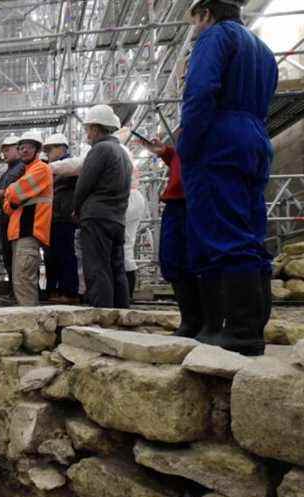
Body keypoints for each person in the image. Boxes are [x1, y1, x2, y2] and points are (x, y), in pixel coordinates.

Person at [179, 0, 277, 355]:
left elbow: (201, 92)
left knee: (222, 232)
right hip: (254, 136)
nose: (193, 28)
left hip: (219, 139)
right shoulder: (262, 50)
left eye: (194, 21)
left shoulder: (215, 37)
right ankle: (252, 325)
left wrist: (187, 145)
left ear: (205, 13)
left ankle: (239, 331)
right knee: (250, 232)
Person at [73, 104, 132, 309]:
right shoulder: (123, 153)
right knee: (117, 269)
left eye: (88, 128)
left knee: (97, 267)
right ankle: (121, 314)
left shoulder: (100, 149)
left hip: (97, 217)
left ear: (97, 129)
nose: (87, 133)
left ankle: (103, 317)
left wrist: (76, 208)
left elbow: (83, 184)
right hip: (117, 219)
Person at [139, 135, 198, 336]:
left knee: (195, 260)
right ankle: (191, 320)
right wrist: (166, 153)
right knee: (173, 260)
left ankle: (204, 321)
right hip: (178, 200)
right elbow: (181, 157)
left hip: (195, 197)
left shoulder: (209, 120)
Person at [2, 131, 53, 306]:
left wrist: (10, 193)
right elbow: (8, 207)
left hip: (30, 231)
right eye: (21, 147)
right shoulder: (27, 172)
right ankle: (27, 320)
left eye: (29, 147)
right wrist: (12, 197)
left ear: (37, 149)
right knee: (20, 281)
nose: (24, 150)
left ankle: (31, 322)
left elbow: (13, 194)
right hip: (19, 232)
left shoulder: (41, 168)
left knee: (24, 280)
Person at [42, 134, 79, 302]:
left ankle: (68, 291)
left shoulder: (70, 166)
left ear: (61, 148)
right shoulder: (53, 167)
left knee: (64, 254)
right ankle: (53, 290)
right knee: (51, 255)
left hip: (63, 217)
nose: (48, 153)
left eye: (50, 149)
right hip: (53, 217)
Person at [0, 135, 24, 288]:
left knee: (16, 256)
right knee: (8, 255)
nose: (4, 154)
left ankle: (18, 290)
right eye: (4, 151)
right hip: (6, 216)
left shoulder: (22, 168)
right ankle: (14, 289)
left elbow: (17, 192)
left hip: (16, 217)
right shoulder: (7, 172)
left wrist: (0, 194)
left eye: (8, 150)